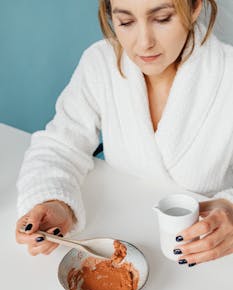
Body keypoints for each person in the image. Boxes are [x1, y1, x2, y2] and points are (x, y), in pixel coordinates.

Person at [15, 0, 233, 266]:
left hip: (212, 255)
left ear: (195, 6)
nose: (144, 43)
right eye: (126, 22)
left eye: (163, 18)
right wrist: (54, 200)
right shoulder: (101, 63)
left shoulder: (228, 72)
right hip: (124, 240)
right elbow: (59, 145)